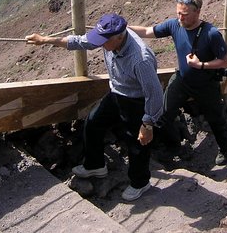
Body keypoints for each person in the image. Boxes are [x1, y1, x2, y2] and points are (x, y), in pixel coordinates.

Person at [25, 13, 164, 202]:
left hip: (136, 100)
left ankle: (140, 183)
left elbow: (154, 93)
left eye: (103, 41)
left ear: (119, 37)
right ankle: (95, 165)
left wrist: (147, 124)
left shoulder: (140, 58)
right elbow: (82, 42)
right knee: (93, 121)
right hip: (117, 92)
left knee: (137, 144)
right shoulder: (110, 39)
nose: (99, 45)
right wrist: (46, 40)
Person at [130, 0, 227, 166]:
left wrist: (201, 65)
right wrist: (123, 28)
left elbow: (225, 60)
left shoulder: (211, 33)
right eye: (178, 12)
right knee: (163, 113)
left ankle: (225, 148)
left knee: (216, 118)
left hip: (206, 84)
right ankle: (171, 146)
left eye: (184, 14)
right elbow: (148, 31)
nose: (180, 17)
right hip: (182, 80)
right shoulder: (174, 25)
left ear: (197, 12)